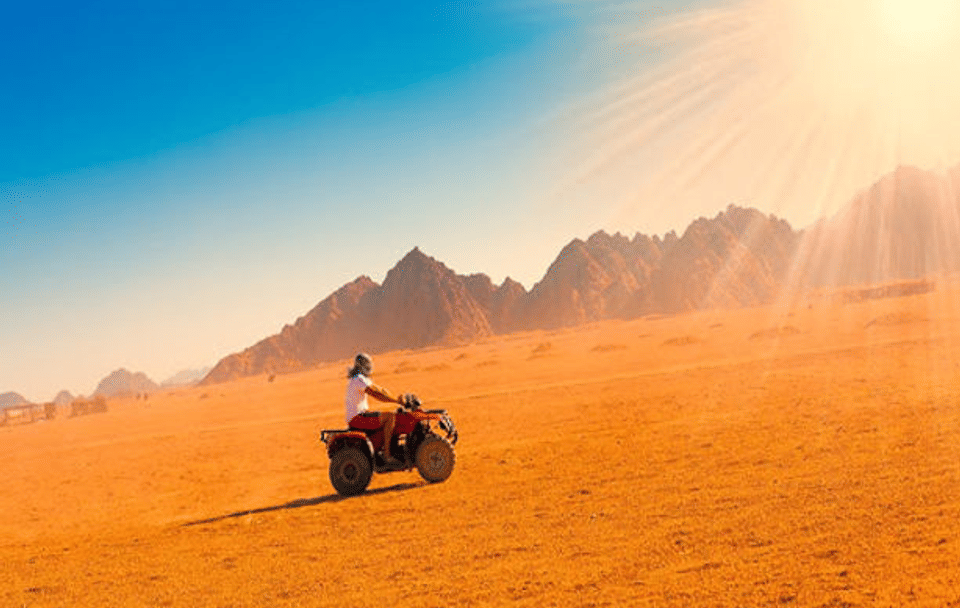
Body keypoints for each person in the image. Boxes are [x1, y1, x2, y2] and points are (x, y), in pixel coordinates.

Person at [344, 353, 404, 464]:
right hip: (358, 418)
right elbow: (376, 394)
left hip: (360, 415)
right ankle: (387, 455)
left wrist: (393, 397)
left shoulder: (358, 378)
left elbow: (379, 389)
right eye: (368, 364)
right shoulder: (359, 379)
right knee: (390, 417)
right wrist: (396, 401)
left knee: (386, 415)